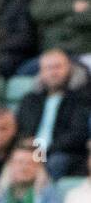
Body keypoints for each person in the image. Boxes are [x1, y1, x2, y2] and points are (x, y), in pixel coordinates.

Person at [15, 49, 91, 179]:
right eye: (48, 68)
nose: (53, 73)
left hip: (63, 153)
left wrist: (46, 149)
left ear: (69, 69)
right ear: (41, 72)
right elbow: (22, 128)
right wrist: (29, 146)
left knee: (56, 161)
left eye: (58, 67)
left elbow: (77, 133)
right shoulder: (30, 100)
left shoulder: (81, 98)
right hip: (32, 151)